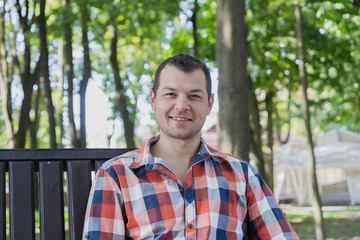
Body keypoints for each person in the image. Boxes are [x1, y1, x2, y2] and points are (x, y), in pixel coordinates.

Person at [82, 53, 299, 239]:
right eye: (171, 94)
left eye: (194, 96)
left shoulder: (242, 175)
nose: (182, 105)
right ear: (153, 99)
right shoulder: (115, 176)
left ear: (209, 104)